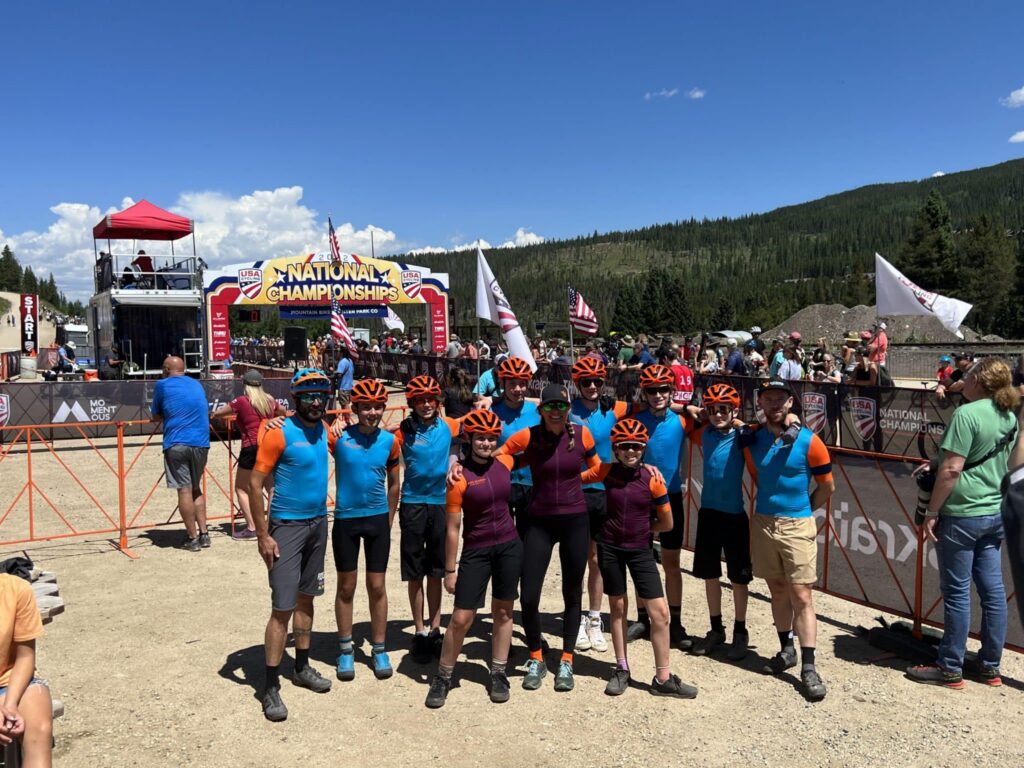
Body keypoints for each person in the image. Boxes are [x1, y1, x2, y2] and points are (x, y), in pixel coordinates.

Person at [907, 358, 1020, 688]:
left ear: (979, 382)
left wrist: (931, 512)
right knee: (993, 591)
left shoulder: (966, 414)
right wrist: (937, 460)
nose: (962, 381)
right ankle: (989, 665)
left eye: (967, 376)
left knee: (956, 593)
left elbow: (953, 470)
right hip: (994, 509)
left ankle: (950, 667)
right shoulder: (1008, 414)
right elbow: (982, 455)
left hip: (962, 511)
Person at [582, 419, 698, 698]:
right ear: (616, 449)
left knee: (660, 613)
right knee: (618, 608)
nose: (630, 451)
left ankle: (663, 678)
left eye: (636, 446)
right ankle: (622, 668)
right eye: (624, 446)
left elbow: (667, 523)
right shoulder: (604, 470)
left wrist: (645, 528)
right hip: (610, 548)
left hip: (640, 550)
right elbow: (571, 481)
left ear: (644, 448)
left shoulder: (652, 479)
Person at [497, 383, 600, 692]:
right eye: (550, 406)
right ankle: (536, 657)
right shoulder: (528, 436)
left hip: (575, 521)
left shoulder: (582, 434)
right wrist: (516, 463)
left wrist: (575, 480)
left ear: (568, 408)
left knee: (572, 592)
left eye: (561, 406)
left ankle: (566, 659)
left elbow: (598, 469)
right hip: (539, 521)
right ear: (540, 409)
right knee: (528, 594)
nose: (556, 412)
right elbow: (500, 455)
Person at [249, 368, 335, 722]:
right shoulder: (278, 432)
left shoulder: (324, 428)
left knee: (307, 598)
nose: (316, 402)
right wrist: (262, 535)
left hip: (318, 523)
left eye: (321, 396)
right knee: (282, 607)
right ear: (296, 399)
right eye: (309, 396)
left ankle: (301, 666)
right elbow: (255, 484)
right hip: (286, 526)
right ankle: (270, 686)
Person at [742, 379, 834, 702]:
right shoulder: (752, 438)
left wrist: (803, 510)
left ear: (790, 403)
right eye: (768, 398)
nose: (774, 404)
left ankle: (809, 667)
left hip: (797, 523)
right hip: (764, 522)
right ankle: (787, 649)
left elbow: (827, 487)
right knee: (777, 590)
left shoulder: (810, 441)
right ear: (760, 403)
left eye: (780, 399)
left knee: (802, 595)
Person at [425, 410, 523, 708]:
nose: (486, 443)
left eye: (491, 438)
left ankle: (498, 672)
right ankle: (443, 676)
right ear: (469, 439)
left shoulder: (505, 462)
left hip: (508, 546)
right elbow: (453, 529)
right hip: (476, 550)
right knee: (461, 618)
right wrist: (450, 570)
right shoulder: (458, 477)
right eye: (480, 438)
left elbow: (533, 442)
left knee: (503, 612)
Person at [330, 379, 401, 682]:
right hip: (346, 519)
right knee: (346, 587)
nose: (372, 412)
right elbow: (306, 428)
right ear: (355, 408)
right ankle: (346, 649)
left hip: (377, 520)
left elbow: (395, 483)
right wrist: (277, 419)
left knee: (377, 586)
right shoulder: (338, 438)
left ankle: (379, 648)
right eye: (366, 407)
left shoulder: (390, 441)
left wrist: (389, 517)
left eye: (377, 407)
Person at [685, 383, 754, 660]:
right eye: (712, 410)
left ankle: (740, 630)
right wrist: (697, 411)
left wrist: (738, 421)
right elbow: (685, 417)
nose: (717, 415)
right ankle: (716, 629)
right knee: (710, 574)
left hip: (734, 516)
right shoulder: (706, 433)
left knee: (738, 578)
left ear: (734, 411)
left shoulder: (741, 435)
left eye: (723, 409)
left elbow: (756, 432)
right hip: (709, 514)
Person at [395, 376, 461, 663]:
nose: (426, 405)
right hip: (412, 503)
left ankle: (435, 629)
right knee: (415, 572)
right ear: (412, 403)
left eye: (430, 400)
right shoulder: (404, 430)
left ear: (438, 402)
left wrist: (486, 402)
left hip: (440, 503)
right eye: (420, 401)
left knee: (436, 570)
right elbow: (373, 435)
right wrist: (338, 424)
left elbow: (479, 421)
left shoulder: (449, 426)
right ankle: (419, 630)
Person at [633, 365, 698, 649]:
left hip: (670, 497)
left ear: (671, 391)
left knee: (671, 563)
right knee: (640, 560)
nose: (657, 395)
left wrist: (688, 408)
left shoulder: (684, 421)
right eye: (652, 390)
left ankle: (676, 620)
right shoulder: (635, 418)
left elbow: (723, 421)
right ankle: (642, 618)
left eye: (663, 389)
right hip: (640, 498)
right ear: (644, 392)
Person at [569, 357, 630, 654]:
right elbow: (535, 405)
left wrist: (696, 411)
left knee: (597, 559)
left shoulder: (614, 409)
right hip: (576, 490)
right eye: (586, 382)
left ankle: (594, 617)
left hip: (606, 492)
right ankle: (576, 617)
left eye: (597, 381)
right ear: (577, 384)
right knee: (576, 558)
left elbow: (654, 406)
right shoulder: (568, 410)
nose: (592, 386)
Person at [211, 369, 286, 540]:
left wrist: (215, 414)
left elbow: (221, 412)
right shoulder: (269, 400)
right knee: (271, 487)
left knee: (242, 488)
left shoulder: (242, 401)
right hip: (267, 445)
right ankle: (272, 524)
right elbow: (282, 411)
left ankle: (252, 527)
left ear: (244, 384)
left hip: (250, 446)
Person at [149, 355, 211, 552]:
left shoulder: (162, 385)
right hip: (201, 442)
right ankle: (204, 534)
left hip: (177, 442)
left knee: (184, 490)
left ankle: (192, 538)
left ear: (167, 369)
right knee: (195, 488)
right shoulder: (197, 384)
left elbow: (156, 414)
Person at [0, 573, 53, 766]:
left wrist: (10, 705)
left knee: (39, 728)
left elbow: (25, 656)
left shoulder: (16, 589)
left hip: (9, 679)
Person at [490, 356, 541, 538]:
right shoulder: (491, 412)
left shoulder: (538, 411)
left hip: (531, 483)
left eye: (522, 384)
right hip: (501, 482)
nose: (517, 389)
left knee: (528, 539)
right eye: (512, 384)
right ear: (502, 383)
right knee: (502, 538)